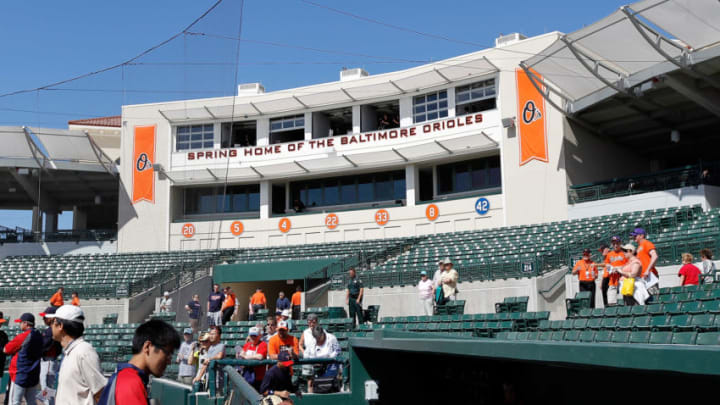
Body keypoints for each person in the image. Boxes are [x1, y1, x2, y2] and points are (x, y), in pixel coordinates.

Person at [97, 320, 180, 405]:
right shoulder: (130, 382)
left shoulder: (128, 377)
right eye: (168, 353)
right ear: (147, 347)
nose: (169, 361)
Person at [51, 305, 106, 405]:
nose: (51, 326)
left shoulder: (84, 351)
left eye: (53, 322)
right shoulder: (70, 352)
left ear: (60, 326)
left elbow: (100, 393)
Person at [4, 313, 43, 405]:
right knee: (32, 402)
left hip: (20, 374)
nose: (20, 324)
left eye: (21, 322)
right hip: (33, 374)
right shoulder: (39, 335)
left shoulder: (24, 336)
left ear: (26, 323)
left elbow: (6, 349)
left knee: (15, 402)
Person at [304, 326, 340, 394]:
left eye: (319, 337)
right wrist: (315, 361)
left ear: (322, 333)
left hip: (330, 362)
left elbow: (337, 351)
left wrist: (328, 358)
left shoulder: (331, 338)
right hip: (317, 364)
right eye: (316, 337)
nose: (318, 339)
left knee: (328, 384)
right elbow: (307, 354)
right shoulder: (312, 341)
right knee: (315, 383)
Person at [38, 307, 61, 405]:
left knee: (46, 389)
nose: (43, 319)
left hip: (48, 360)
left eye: (45, 317)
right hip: (48, 360)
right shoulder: (52, 329)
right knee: (46, 389)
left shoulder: (52, 329)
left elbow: (44, 346)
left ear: (52, 318)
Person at [193, 325, 226, 392]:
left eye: (213, 334)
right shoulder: (210, 348)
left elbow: (219, 356)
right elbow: (205, 364)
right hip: (209, 380)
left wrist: (210, 359)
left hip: (218, 381)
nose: (211, 336)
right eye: (210, 334)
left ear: (219, 336)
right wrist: (199, 377)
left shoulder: (221, 346)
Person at [236, 327, 268, 391]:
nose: (253, 338)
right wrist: (242, 355)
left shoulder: (263, 344)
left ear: (259, 336)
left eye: (255, 336)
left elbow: (260, 356)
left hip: (258, 377)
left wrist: (246, 356)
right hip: (247, 375)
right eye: (251, 336)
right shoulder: (247, 345)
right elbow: (241, 354)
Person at [631, 228, 660, 298]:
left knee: (654, 299)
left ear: (642, 235)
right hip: (642, 277)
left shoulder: (646, 243)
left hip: (650, 277)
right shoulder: (639, 247)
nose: (633, 237)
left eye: (635, 235)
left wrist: (648, 269)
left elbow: (655, 256)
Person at [604, 237, 627, 306]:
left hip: (623, 280)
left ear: (620, 243)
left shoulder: (624, 253)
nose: (615, 245)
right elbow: (607, 265)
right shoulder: (609, 254)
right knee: (611, 303)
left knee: (623, 302)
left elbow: (629, 265)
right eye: (613, 244)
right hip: (612, 281)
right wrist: (610, 268)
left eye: (617, 243)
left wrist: (618, 268)